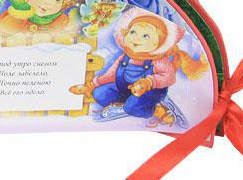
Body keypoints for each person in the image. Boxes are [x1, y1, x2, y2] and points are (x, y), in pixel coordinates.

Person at [71, 7, 208, 126]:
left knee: (133, 105)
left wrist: (149, 82)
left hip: (150, 91)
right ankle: (128, 105)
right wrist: (92, 85)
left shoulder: (158, 60)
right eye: (133, 32)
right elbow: (111, 74)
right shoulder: (125, 57)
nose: (136, 38)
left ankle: (157, 110)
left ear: (160, 42)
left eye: (146, 36)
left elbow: (169, 77)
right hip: (125, 90)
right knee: (100, 93)